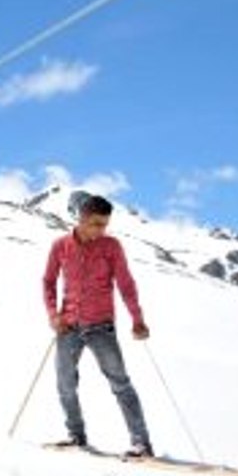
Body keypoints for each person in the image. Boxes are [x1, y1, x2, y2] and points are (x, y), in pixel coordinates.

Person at [42, 194, 153, 457]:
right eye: (95, 224)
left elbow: (126, 284)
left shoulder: (111, 247)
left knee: (120, 383)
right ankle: (76, 436)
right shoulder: (61, 246)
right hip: (68, 327)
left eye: (104, 224)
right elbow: (48, 281)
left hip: (100, 326)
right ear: (81, 218)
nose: (100, 230)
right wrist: (53, 315)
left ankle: (141, 443)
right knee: (65, 383)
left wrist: (137, 319)